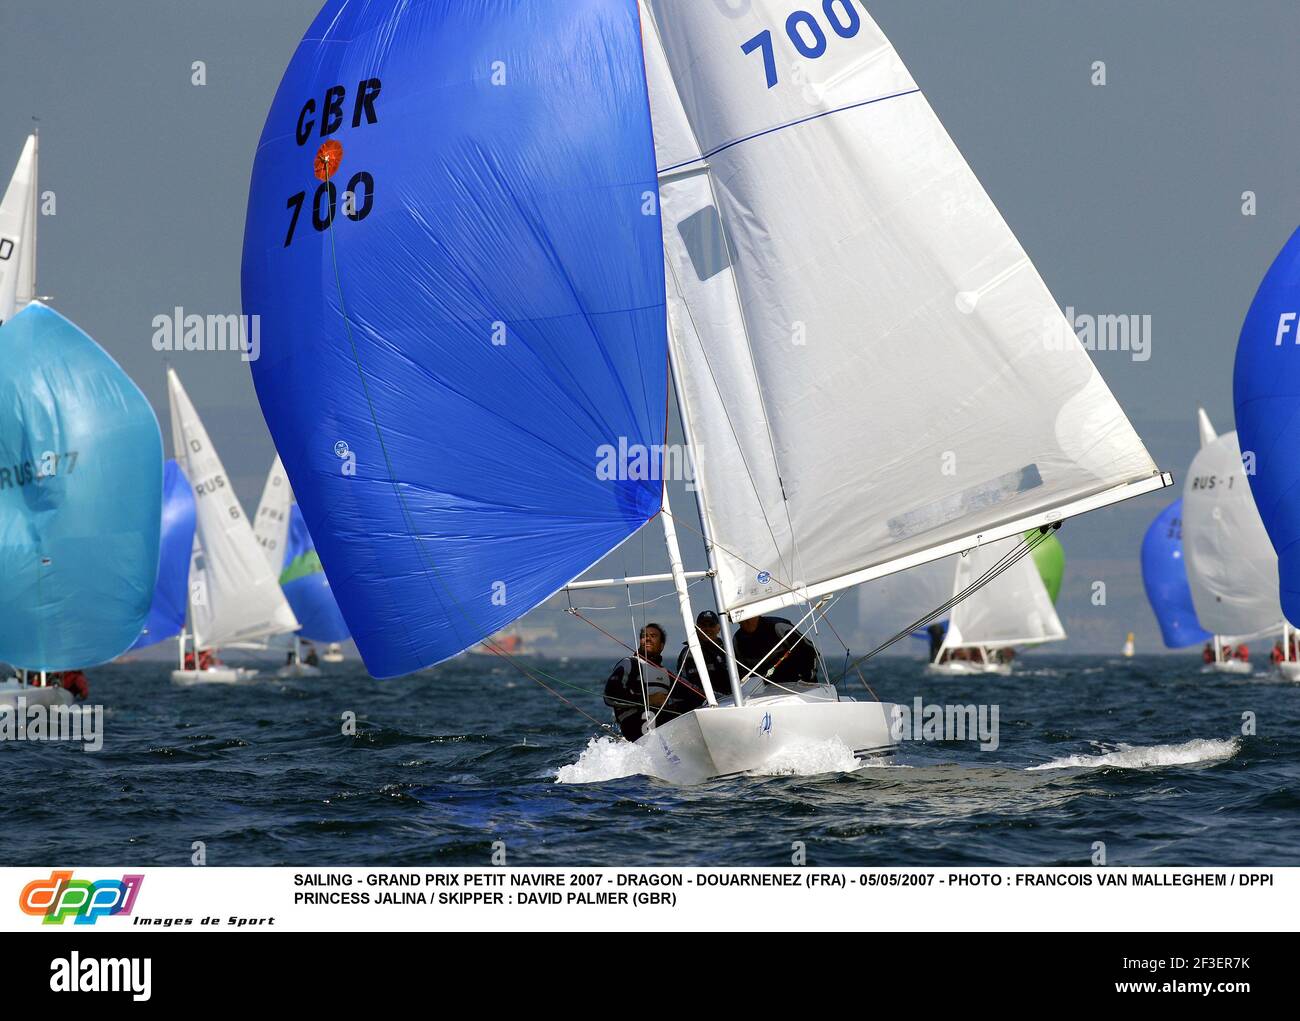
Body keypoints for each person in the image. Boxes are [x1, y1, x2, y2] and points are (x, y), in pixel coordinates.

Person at [603, 623, 671, 741]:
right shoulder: (630, 663)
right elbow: (609, 696)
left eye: (653, 636)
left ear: (661, 645)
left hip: (661, 724)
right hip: (636, 723)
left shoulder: (667, 674)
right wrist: (649, 700)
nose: (648, 638)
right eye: (644, 636)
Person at [732, 615, 819, 688]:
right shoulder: (737, 639)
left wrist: (809, 677)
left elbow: (810, 650)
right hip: (764, 691)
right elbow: (741, 671)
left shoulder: (778, 626)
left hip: (799, 685)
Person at [670, 610, 728, 716]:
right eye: (703, 625)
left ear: (718, 628)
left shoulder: (727, 650)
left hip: (727, 704)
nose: (707, 629)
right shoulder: (689, 653)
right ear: (696, 628)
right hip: (698, 708)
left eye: (711, 625)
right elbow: (687, 684)